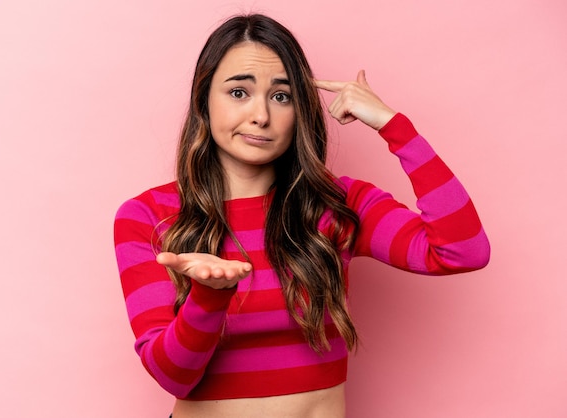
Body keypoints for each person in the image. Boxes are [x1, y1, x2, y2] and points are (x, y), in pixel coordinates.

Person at [113, 13, 490, 418]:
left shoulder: (339, 204)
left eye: (281, 96)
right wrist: (209, 296)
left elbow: (462, 251)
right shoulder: (148, 217)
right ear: (204, 99)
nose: (261, 115)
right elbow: (172, 377)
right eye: (238, 92)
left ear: (300, 110)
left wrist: (394, 126)